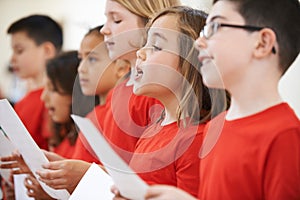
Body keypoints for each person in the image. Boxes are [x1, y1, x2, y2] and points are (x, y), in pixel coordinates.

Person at [142, 0, 300, 199]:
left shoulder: (285, 136)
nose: (199, 43)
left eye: (215, 27)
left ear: (262, 43)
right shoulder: (215, 127)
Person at [113, 6, 221, 198]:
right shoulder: (153, 130)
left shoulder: (196, 140)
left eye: (155, 46)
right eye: (145, 43)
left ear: (189, 61)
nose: (140, 53)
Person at [98, 0, 181, 164]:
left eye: (116, 20)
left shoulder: (155, 95)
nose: (104, 29)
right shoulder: (117, 91)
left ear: (148, 24)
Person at [7, 14, 63, 150]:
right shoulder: (23, 102)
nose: (12, 59)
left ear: (47, 51)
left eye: (19, 51)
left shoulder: (55, 102)